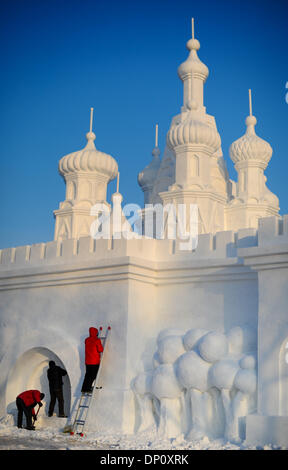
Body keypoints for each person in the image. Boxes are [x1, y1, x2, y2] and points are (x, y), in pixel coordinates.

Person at [81, 327, 103, 393]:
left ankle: (84, 388)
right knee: (93, 375)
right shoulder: (97, 340)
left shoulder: (87, 340)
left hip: (87, 361)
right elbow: (100, 350)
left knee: (87, 375)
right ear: (96, 333)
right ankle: (88, 388)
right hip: (94, 361)